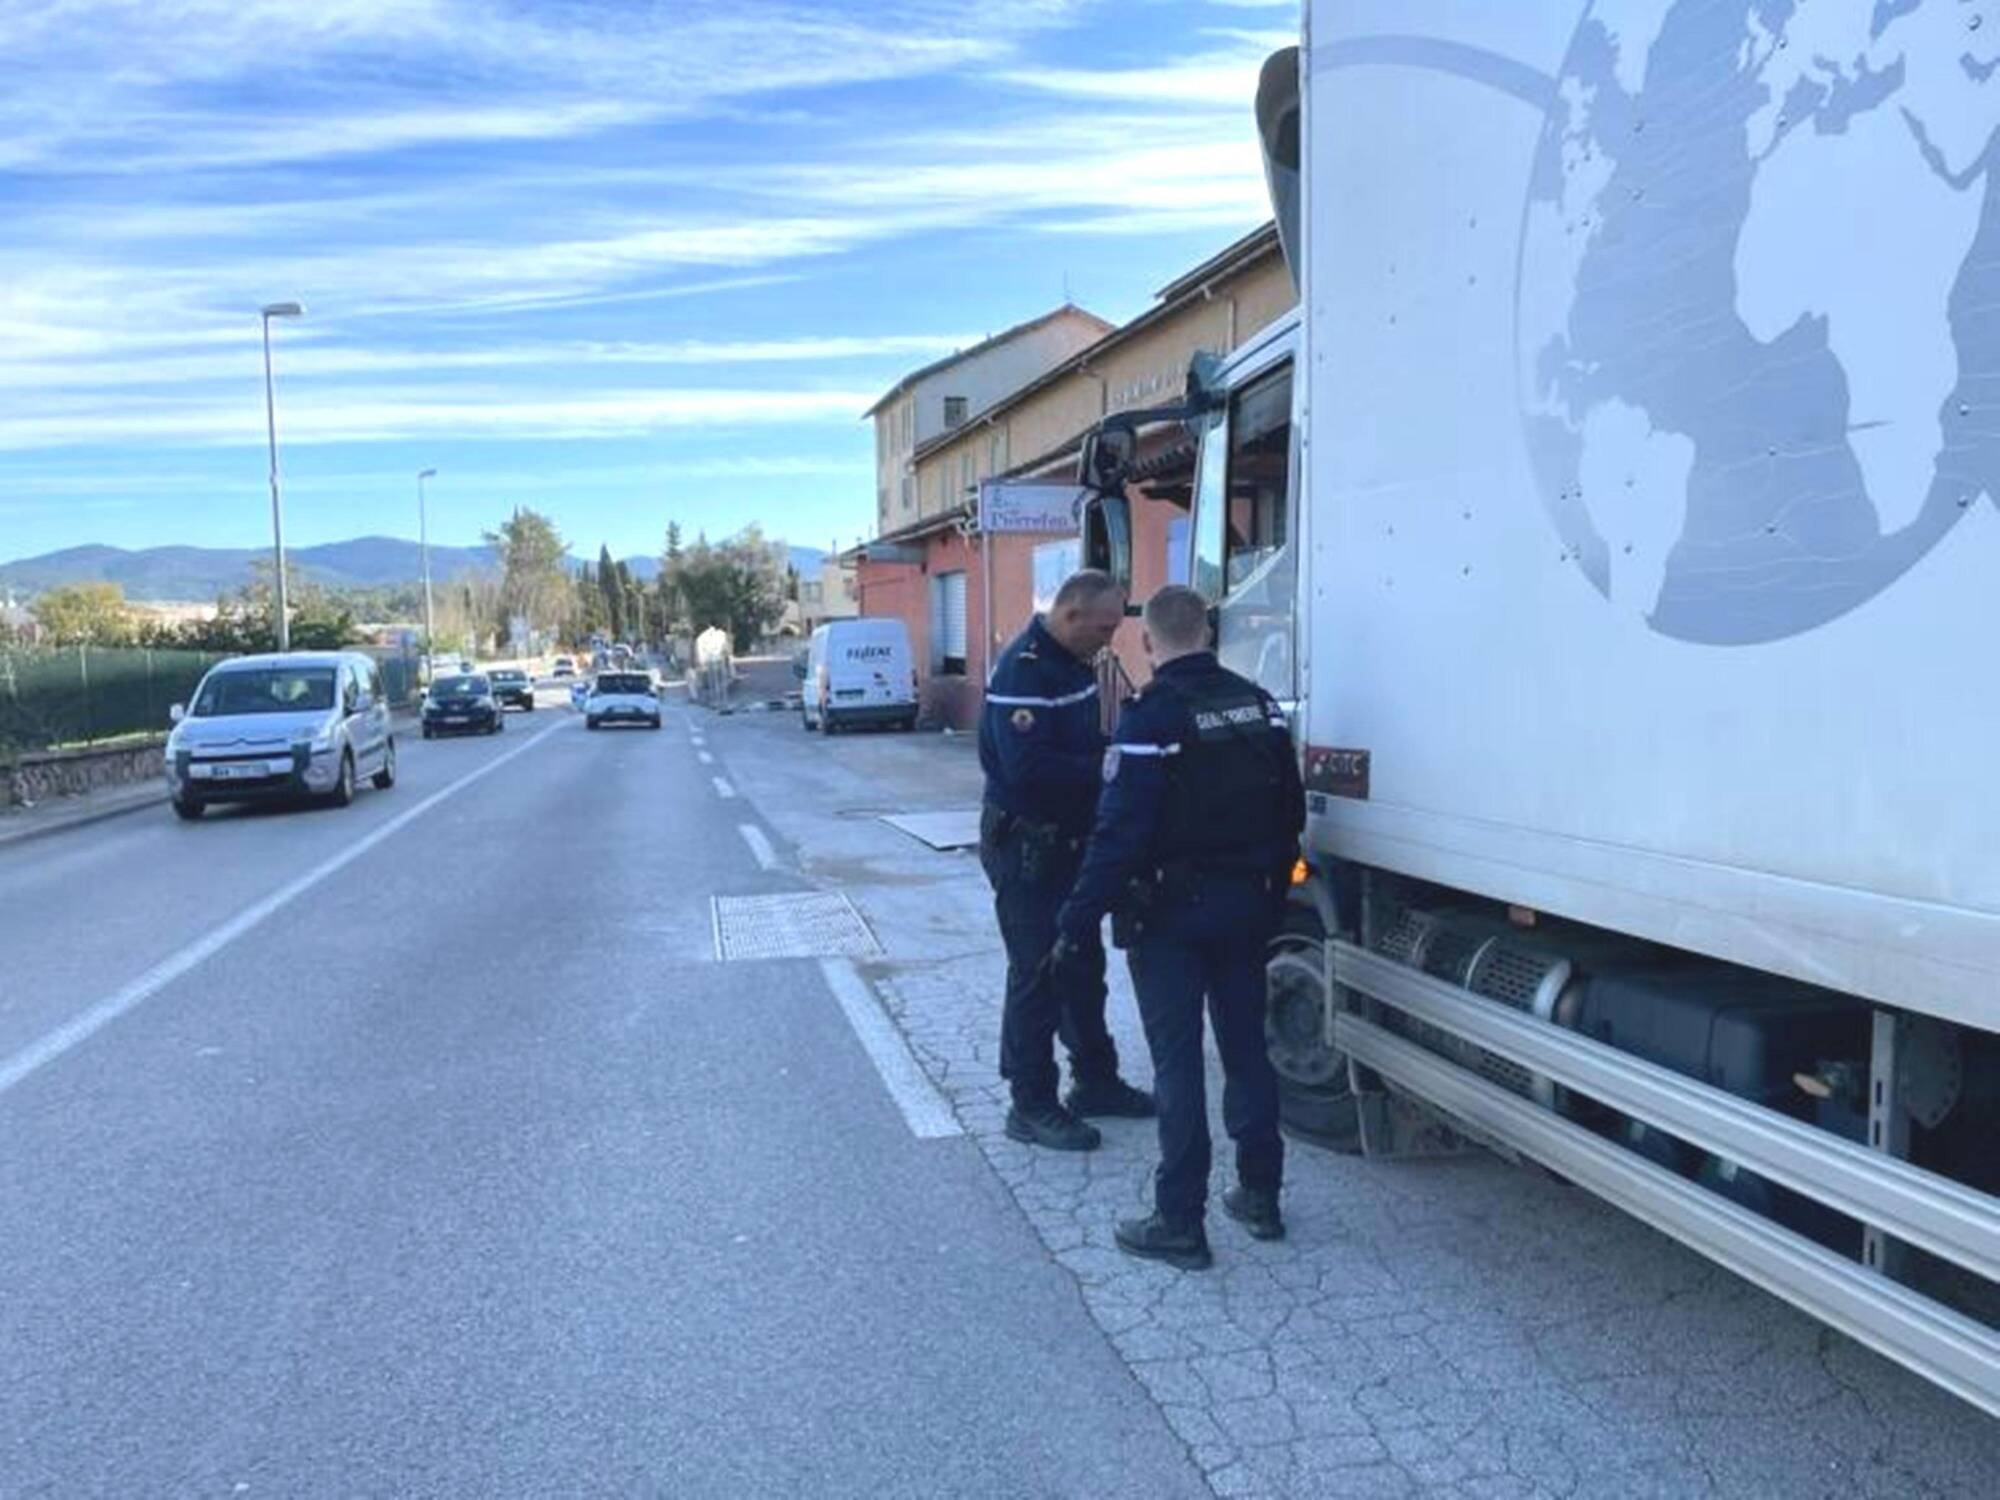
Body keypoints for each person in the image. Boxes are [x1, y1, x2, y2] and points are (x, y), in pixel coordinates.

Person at [1051, 584, 1304, 1269]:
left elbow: (1119, 832)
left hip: (1169, 916)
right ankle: (1260, 1194)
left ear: (1148, 642)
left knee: (1178, 1063)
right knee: (1247, 1048)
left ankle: (1180, 1220)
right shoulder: (1260, 706)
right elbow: (1291, 816)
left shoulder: (1151, 716)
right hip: (1247, 908)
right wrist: (1271, 897)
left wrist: (1075, 921)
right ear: (1209, 634)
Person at [979, 569, 1156, 1151]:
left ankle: (1095, 1080)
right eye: (1103, 628)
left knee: (1082, 964)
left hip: (1071, 839)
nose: (1109, 639)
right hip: (1027, 843)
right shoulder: (1024, 669)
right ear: (1071, 616)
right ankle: (1030, 1103)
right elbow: (1029, 772)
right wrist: (1108, 766)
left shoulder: (1074, 660)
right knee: (1038, 970)